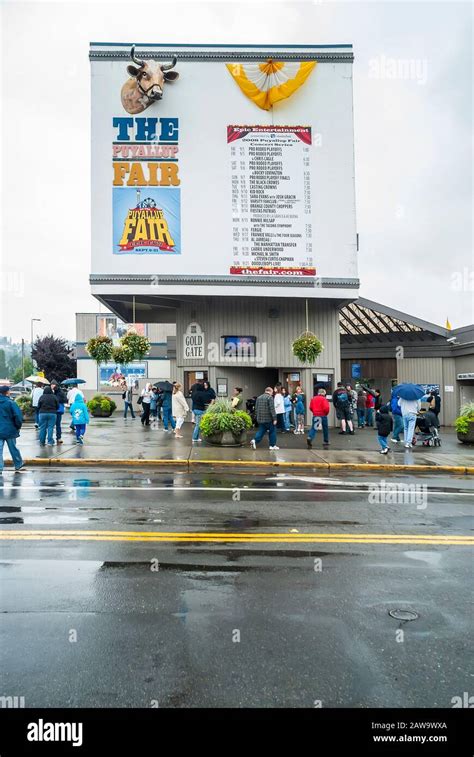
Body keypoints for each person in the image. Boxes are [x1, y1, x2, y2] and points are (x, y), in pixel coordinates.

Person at [0, 385, 25, 474]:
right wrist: (18, 427)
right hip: (10, 430)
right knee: (13, 448)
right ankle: (18, 464)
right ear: (7, 392)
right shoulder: (11, 403)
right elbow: (18, 416)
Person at [50, 380, 67, 444]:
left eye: (53, 384)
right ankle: (50, 438)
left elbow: (65, 400)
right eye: (51, 385)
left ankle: (58, 437)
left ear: (56, 385)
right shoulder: (50, 392)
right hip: (52, 410)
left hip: (58, 410)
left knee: (57, 425)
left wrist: (57, 400)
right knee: (51, 425)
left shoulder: (60, 392)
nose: (52, 386)